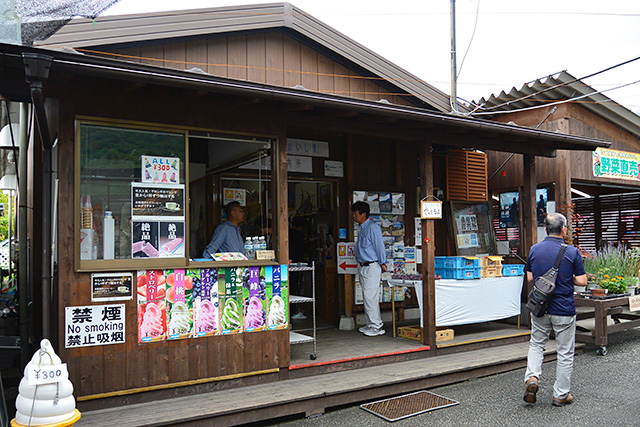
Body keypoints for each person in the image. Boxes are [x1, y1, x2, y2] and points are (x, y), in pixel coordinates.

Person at [523, 213, 586, 407]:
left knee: (536, 345)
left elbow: (531, 279)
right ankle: (560, 395)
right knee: (565, 352)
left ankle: (532, 378)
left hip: (540, 308)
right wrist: (569, 279)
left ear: (545, 229)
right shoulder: (572, 252)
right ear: (564, 230)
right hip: (564, 309)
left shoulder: (534, 249)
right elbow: (582, 281)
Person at [352, 201, 388, 337]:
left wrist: (383, 262)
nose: (354, 217)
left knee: (370, 296)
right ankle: (370, 323)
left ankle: (377, 326)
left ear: (363, 214)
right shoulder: (362, 228)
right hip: (363, 266)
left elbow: (379, 246)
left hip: (372, 265)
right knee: (367, 296)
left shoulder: (372, 227)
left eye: (356, 214)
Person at [289, 216, 309, 319]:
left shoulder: (287, 233)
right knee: (295, 288)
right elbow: (304, 249)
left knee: (289, 287)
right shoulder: (299, 236)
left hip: (289, 263)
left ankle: (290, 311)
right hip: (298, 264)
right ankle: (294, 311)